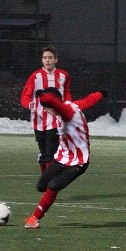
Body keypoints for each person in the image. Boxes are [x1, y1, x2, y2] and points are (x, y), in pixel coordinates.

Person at [24, 87, 105, 229]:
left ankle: (34, 218)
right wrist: (101, 94)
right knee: (41, 186)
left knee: (53, 185)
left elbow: (54, 102)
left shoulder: (67, 112)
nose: (45, 110)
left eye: (47, 108)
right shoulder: (70, 106)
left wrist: (43, 96)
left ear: (54, 104)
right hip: (63, 157)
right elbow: (87, 101)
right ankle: (45, 197)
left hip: (79, 161)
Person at [20, 46, 71, 173]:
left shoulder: (63, 75)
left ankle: (49, 181)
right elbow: (25, 95)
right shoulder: (35, 76)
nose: (47, 60)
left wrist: (68, 105)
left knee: (51, 151)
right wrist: (29, 104)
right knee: (43, 152)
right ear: (42, 60)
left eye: (50, 58)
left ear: (56, 60)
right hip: (39, 119)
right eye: (45, 58)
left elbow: (66, 93)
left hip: (55, 119)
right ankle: (45, 175)